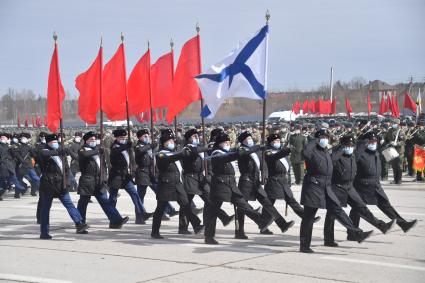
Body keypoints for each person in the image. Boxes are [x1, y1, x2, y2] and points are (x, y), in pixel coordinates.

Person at [300, 129, 373, 253]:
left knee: (338, 210)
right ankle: (304, 245)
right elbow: (305, 152)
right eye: (323, 137)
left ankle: (356, 233)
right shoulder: (312, 151)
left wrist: (343, 145)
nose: (326, 139)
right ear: (317, 139)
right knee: (308, 217)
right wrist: (313, 140)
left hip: (327, 188)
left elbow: (337, 154)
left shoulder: (326, 152)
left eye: (327, 137)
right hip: (314, 187)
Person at [324, 135, 395, 247]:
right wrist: (340, 148)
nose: (350, 147)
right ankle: (328, 239)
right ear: (342, 146)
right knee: (332, 214)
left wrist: (364, 140)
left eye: (352, 145)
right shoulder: (336, 155)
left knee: (362, 207)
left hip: (349, 187)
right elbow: (331, 159)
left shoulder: (353, 155)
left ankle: (382, 226)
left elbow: (361, 146)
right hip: (337, 187)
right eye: (348, 145)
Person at [204, 132, 273, 245]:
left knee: (243, 204)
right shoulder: (217, 153)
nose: (227, 144)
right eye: (225, 142)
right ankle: (209, 236)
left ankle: (261, 221)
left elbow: (234, 154)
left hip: (231, 185)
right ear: (219, 144)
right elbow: (230, 157)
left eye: (228, 142)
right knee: (213, 211)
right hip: (220, 186)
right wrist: (247, 150)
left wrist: (244, 151)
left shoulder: (225, 152)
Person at [348, 131, 417, 239]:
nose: (373, 143)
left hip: (375, 184)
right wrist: (362, 143)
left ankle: (403, 224)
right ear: (366, 142)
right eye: (371, 141)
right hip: (362, 185)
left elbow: (388, 154)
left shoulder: (376, 152)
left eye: (375, 141)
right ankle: (352, 233)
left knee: (386, 205)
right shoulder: (360, 153)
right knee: (358, 209)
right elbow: (355, 157)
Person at [236, 131, 295, 238]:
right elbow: (245, 153)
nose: (250, 140)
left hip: (256, 181)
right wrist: (259, 147)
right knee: (242, 207)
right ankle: (239, 231)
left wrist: (265, 175)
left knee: (267, 203)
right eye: (247, 139)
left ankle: (282, 224)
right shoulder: (241, 150)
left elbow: (263, 164)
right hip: (246, 181)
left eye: (250, 138)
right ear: (243, 141)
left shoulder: (257, 151)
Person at [151, 129, 204, 239]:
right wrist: (181, 154)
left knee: (185, 205)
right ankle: (155, 231)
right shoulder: (160, 154)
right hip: (166, 184)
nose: (172, 142)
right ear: (163, 143)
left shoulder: (174, 152)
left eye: (172, 141)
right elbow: (168, 159)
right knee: (160, 208)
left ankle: (196, 225)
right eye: (169, 141)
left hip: (178, 184)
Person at [179, 129, 234, 234]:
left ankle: (224, 217)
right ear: (188, 138)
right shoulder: (187, 148)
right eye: (194, 136)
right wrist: (206, 147)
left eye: (197, 136)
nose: (196, 138)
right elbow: (194, 151)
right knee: (186, 203)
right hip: (190, 177)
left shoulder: (199, 146)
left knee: (210, 199)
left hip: (200, 177)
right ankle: (183, 226)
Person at [38, 134, 88, 239]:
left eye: (56, 142)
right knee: (46, 209)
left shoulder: (61, 153)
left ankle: (79, 224)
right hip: (48, 184)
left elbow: (66, 168)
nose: (55, 144)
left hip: (61, 184)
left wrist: (68, 180)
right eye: (53, 142)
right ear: (48, 143)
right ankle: (44, 232)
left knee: (69, 204)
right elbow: (45, 154)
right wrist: (58, 152)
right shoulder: (44, 151)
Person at [263, 133, 320, 226]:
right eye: (275, 141)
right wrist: (287, 150)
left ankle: (308, 218)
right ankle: (264, 223)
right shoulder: (268, 152)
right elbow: (274, 157)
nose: (278, 142)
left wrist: (288, 181)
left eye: (278, 141)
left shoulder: (281, 151)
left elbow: (287, 168)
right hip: (274, 182)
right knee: (269, 205)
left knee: (292, 201)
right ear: (271, 142)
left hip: (283, 181)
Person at [77, 131, 129, 229]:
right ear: (86, 141)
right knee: (83, 203)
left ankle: (116, 220)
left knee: (105, 201)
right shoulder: (83, 150)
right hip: (87, 180)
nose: (94, 141)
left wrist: (104, 178)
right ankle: (80, 223)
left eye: (94, 139)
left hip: (98, 181)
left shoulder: (98, 150)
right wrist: (97, 151)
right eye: (91, 139)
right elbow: (85, 155)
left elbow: (103, 166)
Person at [108, 128, 151, 224]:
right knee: (113, 198)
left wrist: (133, 171)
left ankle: (142, 213)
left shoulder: (127, 147)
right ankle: (113, 219)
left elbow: (132, 160)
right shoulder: (114, 146)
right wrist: (126, 146)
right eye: (121, 137)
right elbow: (116, 151)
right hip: (116, 175)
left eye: (124, 137)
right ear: (116, 138)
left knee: (134, 194)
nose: (123, 139)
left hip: (126, 175)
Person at [134, 129, 176, 222]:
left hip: (151, 173)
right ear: (140, 137)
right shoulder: (139, 145)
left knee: (160, 192)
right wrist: (150, 146)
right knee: (140, 196)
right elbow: (140, 151)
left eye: (148, 135)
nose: (147, 137)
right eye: (145, 136)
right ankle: (139, 217)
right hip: (142, 172)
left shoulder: (148, 145)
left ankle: (167, 210)